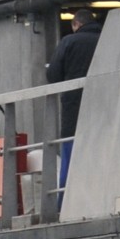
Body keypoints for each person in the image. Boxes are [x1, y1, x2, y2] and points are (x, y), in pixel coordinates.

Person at [45, 12, 102, 189]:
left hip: (74, 107)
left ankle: (66, 199)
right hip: (104, 107)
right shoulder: (106, 38)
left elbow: (53, 75)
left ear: (76, 24)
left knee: (71, 158)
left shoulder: (68, 41)